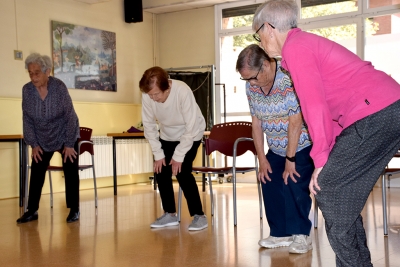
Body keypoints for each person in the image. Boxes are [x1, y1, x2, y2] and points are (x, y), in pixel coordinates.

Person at [252, 0, 400, 266]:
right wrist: (328, 156)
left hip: (376, 112)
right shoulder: (302, 46)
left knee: (328, 190)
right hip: (385, 109)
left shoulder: (296, 48)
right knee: (341, 195)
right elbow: (330, 110)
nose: (260, 41)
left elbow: (314, 105)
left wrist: (320, 160)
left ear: (269, 28)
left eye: (258, 34)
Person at [236, 44, 314, 254]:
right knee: (268, 178)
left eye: (253, 77)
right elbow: (256, 123)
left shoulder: (288, 77)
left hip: (301, 143)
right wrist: (262, 158)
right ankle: (280, 233)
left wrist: (290, 159)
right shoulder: (251, 86)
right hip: (276, 146)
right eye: (246, 79)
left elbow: (295, 121)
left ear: (266, 65)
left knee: (293, 180)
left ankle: (301, 235)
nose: (251, 83)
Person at [139, 66, 208, 231]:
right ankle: (169, 214)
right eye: (150, 95)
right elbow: (148, 126)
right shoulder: (148, 95)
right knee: (160, 169)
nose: (153, 98)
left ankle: (199, 216)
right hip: (168, 134)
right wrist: (158, 154)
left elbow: (191, 128)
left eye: (156, 94)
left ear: (167, 87)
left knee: (182, 170)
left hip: (191, 132)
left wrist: (178, 156)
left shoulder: (182, 91)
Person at [17, 53, 81, 224]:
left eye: (37, 72)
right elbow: (27, 119)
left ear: (47, 72)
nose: (33, 76)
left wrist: (69, 144)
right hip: (41, 137)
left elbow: (70, 116)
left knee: (70, 167)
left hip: (64, 133)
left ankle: (74, 209)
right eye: (30, 73)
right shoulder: (27, 90)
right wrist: (34, 144)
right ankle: (32, 210)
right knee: (37, 170)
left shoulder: (59, 87)